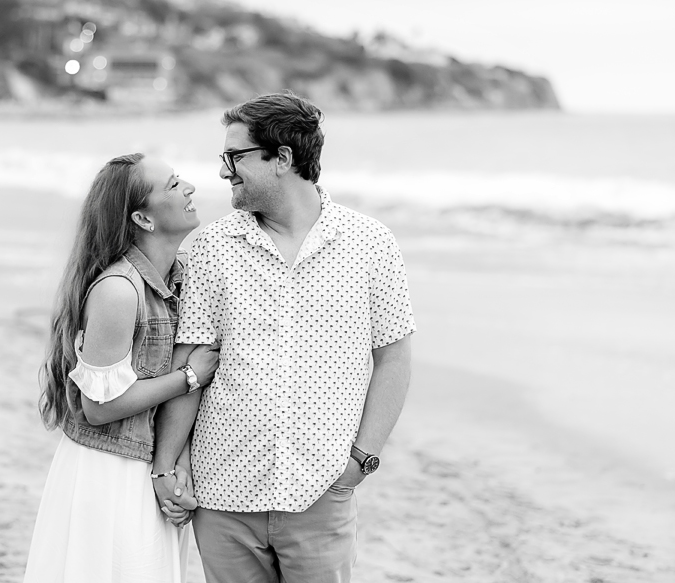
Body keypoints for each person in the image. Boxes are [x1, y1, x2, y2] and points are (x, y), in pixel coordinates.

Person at [151, 92, 416, 583]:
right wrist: (168, 462)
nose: (224, 170)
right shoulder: (210, 247)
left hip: (321, 495)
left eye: (235, 157)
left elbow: (394, 358)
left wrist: (360, 461)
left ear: (283, 159)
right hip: (222, 494)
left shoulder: (371, 244)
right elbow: (189, 364)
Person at [24, 153, 217, 583]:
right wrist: (188, 377)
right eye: (172, 185)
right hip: (108, 472)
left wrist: (176, 461)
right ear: (143, 220)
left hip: (147, 466)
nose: (188, 188)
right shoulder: (118, 291)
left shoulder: (182, 281)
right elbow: (98, 407)